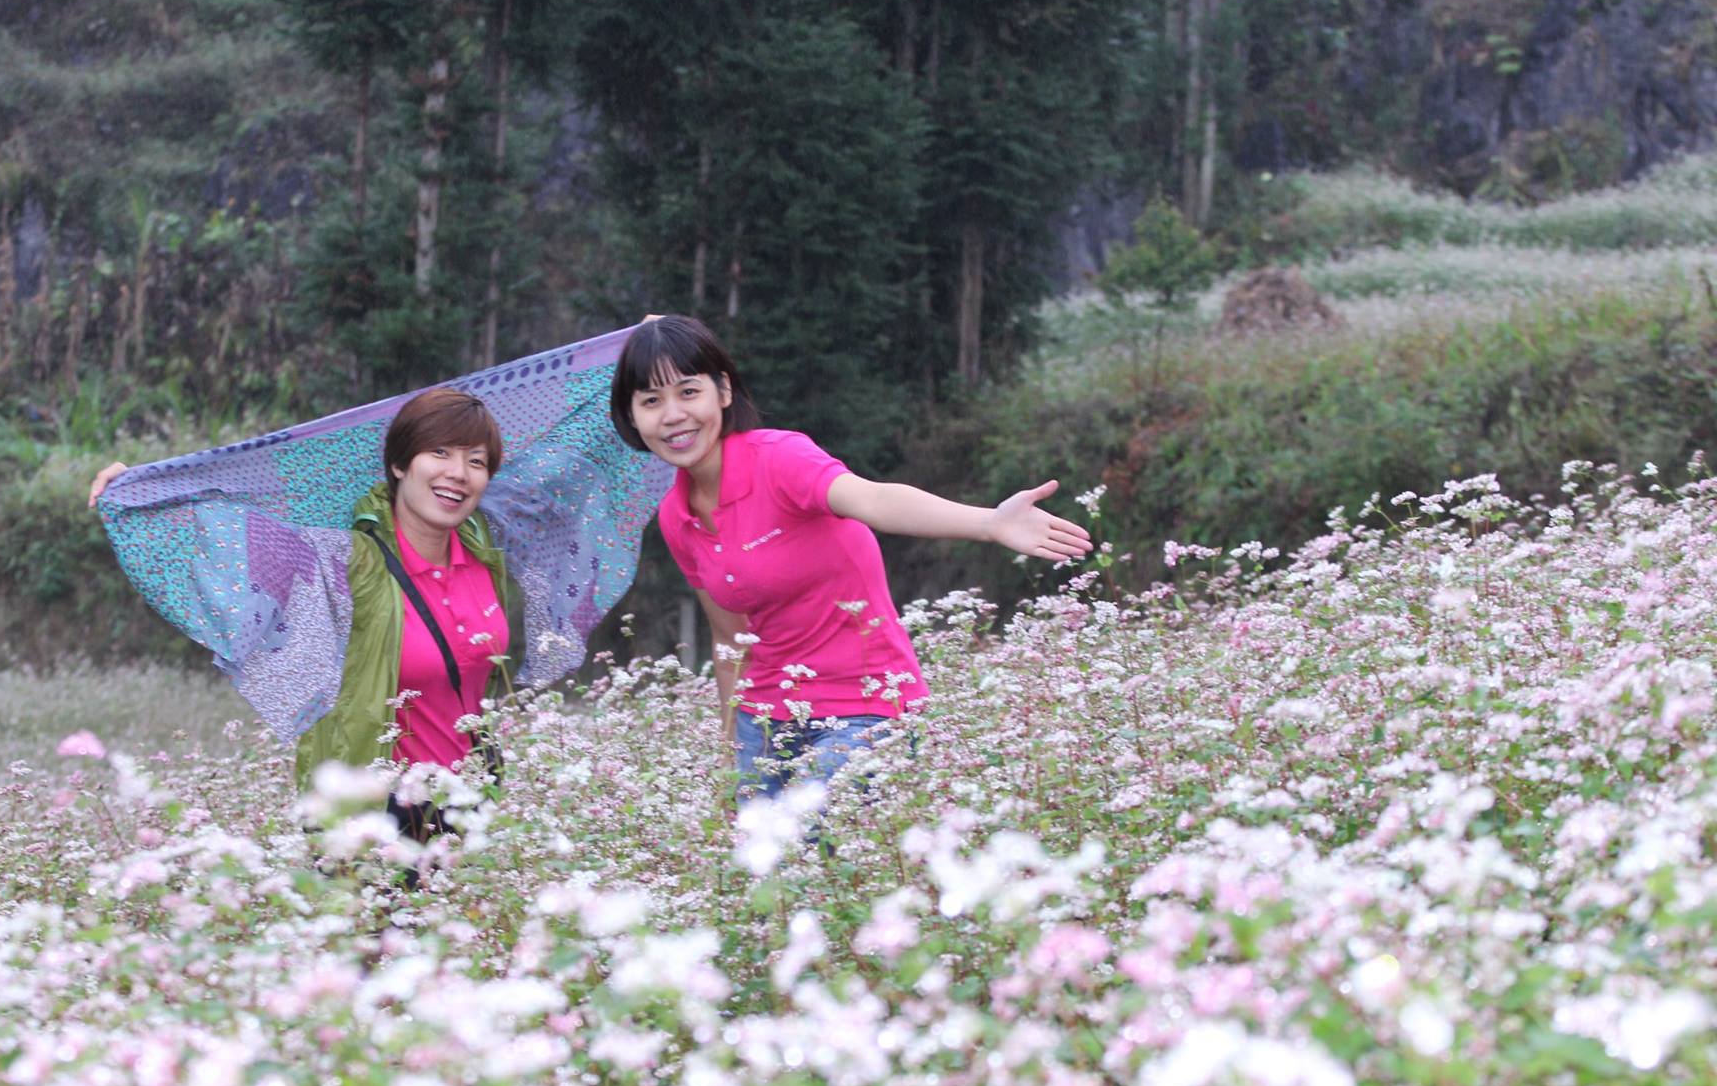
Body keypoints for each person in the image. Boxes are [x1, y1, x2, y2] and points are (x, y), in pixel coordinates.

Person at [608, 315, 1094, 801]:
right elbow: (731, 639)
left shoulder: (780, 459)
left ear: (724, 393)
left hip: (867, 705)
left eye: (688, 392)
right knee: (762, 869)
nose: (672, 415)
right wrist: (731, 753)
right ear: (632, 418)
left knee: (817, 834)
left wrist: (989, 523)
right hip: (764, 719)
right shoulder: (676, 516)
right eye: (651, 401)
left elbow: (875, 501)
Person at [89, 387, 521, 843]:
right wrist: (142, 487)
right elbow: (224, 526)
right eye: (439, 453)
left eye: (476, 461)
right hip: (374, 817)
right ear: (399, 464)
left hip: (469, 810)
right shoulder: (344, 563)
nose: (458, 473)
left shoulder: (483, 556)